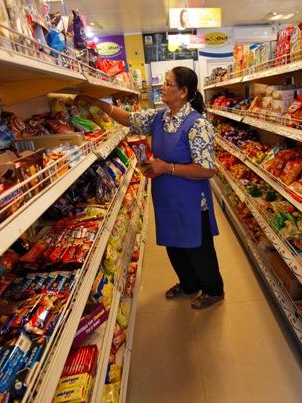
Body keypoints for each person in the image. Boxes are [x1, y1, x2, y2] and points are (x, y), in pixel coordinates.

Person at [77, 67, 224, 309]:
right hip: (166, 195)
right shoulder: (160, 117)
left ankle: (213, 289)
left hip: (191, 200)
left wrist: (166, 168)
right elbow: (129, 119)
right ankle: (188, 284)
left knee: (198, 247)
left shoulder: (198, 124)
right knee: (174, 244)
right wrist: (98, 103)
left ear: (184, 92)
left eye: (168, 84)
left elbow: (207, 169)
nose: (162, 87)